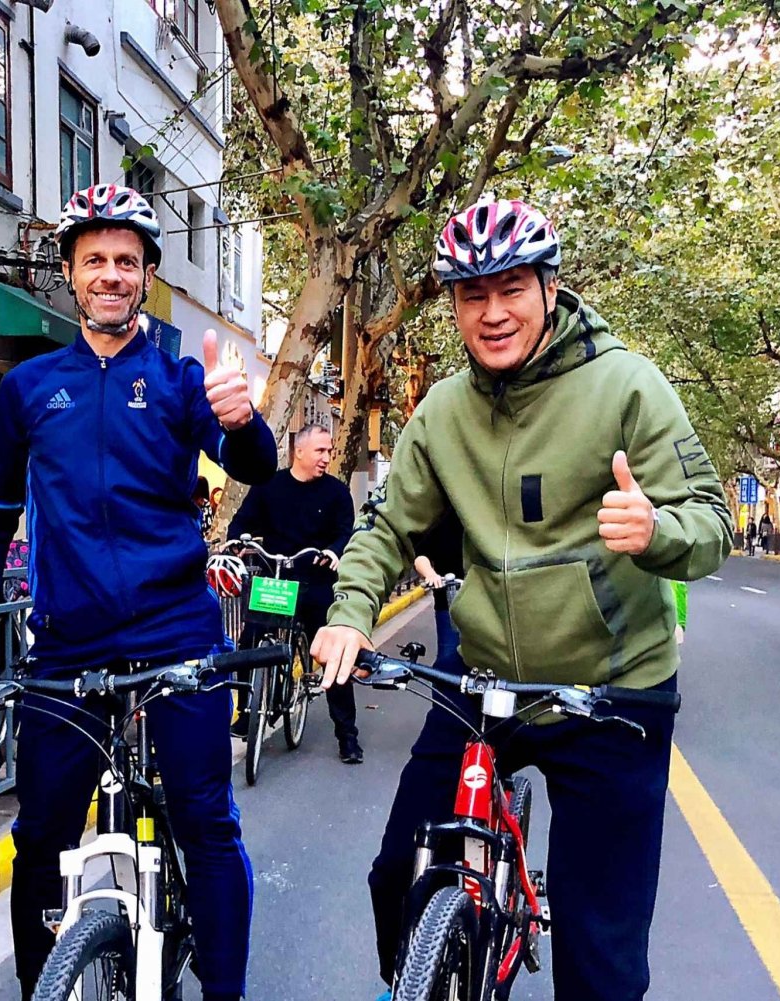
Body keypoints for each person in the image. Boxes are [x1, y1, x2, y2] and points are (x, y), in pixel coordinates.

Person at [310, 198, 733, 1001]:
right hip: (487, 679)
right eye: (474, 295)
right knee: (396, 870)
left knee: (600, 958)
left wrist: (655, 530)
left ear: (550, 287)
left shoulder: (627, 386)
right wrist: (349, 614)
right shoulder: (442, 410)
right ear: (454, 306)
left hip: (611, 691)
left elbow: (711, 520)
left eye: (511, 288)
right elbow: (388, 527)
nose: (493, 312)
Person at [0, 183, 276, 1001]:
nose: (112, 274)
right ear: (70, 272)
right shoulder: (26, 388)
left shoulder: (180, 379)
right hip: (68, 642)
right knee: (40, 837)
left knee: (206, 821)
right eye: (95, 260)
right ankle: (43, 987)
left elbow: (255, 466)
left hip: (177, 631)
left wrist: (241, 422)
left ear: (147, 275)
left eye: (127, 261)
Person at [226, 423, 360, 762]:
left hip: (316, 582)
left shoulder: (336, 492)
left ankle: (347, 735)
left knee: (333, 655)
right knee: (249, 642)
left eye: (329, 451)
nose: (326, 457)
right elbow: (240, 523)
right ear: (298, 452)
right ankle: (246, 711)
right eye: (320, 450)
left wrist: (334, 551)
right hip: (276, 582)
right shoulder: (269, 486)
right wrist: (236, 543)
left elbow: (346, 532)